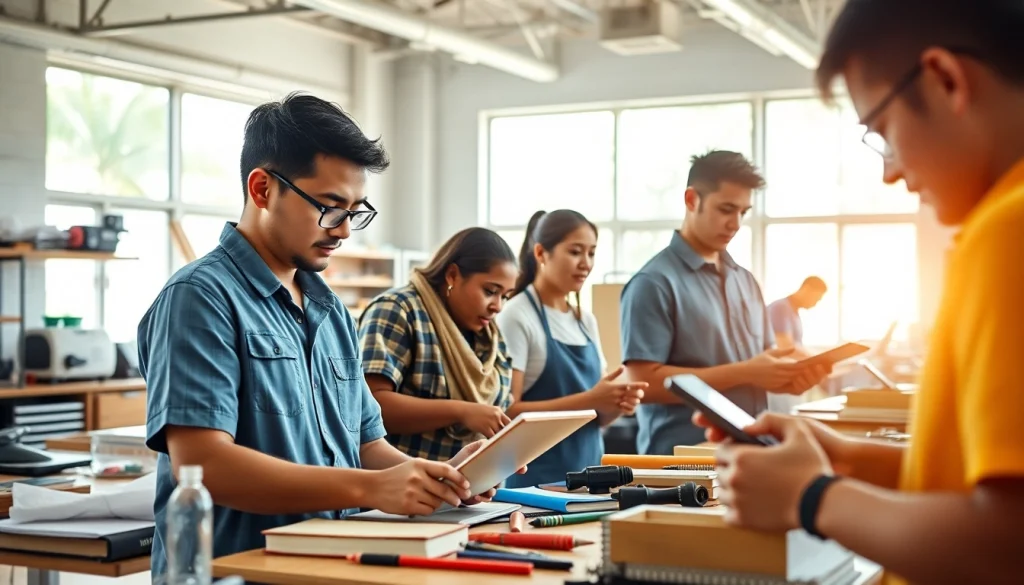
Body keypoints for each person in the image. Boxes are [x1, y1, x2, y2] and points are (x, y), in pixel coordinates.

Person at [695, 2, 1024, 585]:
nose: (889, 173)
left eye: (882, 132)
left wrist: (812, 497)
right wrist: (844, 456)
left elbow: (1006, 543)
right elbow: (971, 485)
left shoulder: (1007, 231)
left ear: (946, 80)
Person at [138, 93, 510, 578]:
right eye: (330, 208)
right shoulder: (200, 298)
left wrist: (439, 480)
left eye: (355, 211)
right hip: (237, 573)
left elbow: (365, 445)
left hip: (332, 567)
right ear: (262, 189)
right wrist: (367, 489)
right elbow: (204, 464)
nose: (343, 230)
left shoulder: (328, 308)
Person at [620, 150, 830, 454]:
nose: (735, 223)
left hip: (749, 456)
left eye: (743, 212)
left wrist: (788, 379)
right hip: (680, 466)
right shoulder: (653, 283)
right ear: (692, 200)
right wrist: (747, 372)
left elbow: (763, 362)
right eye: (726, 209)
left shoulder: (745, 280)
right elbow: (643, 383)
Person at [496, 210, 646, 488]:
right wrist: (592, 398)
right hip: (536, 482)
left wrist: (616, 404)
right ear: (541, 253)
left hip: (591, 476)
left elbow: (596, 416)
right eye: (575, 252)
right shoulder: (517, 315)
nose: (585, 264)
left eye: (591, 253)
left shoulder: (585, 320)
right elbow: (508, 412)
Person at [357, 227, 517, 462]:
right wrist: (461, 411)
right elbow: (371, 405)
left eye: (505, 296)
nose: (498, 306)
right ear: (452, 275)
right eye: (490, 291)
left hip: (473, 490)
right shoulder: (398, 310)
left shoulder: (489, 336)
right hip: (403, 487)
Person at [767, 276, 828, 359]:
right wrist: (815, 359)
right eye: (816, 299)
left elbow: (797, 345)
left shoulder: (793, 311)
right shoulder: (781, 308)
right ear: (806, 289)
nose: (815, 304)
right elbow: (786, 348)